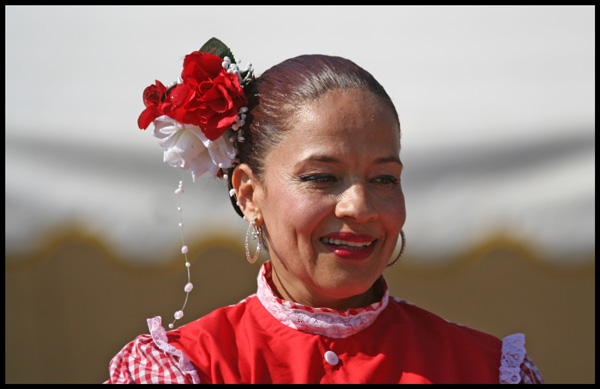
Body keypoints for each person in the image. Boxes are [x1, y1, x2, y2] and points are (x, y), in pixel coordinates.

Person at [105, 38, 544, 384]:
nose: (360, 207)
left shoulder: (489, 370)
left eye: (384, 179)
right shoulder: (181, 370)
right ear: (248, 193)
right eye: (321, 178)